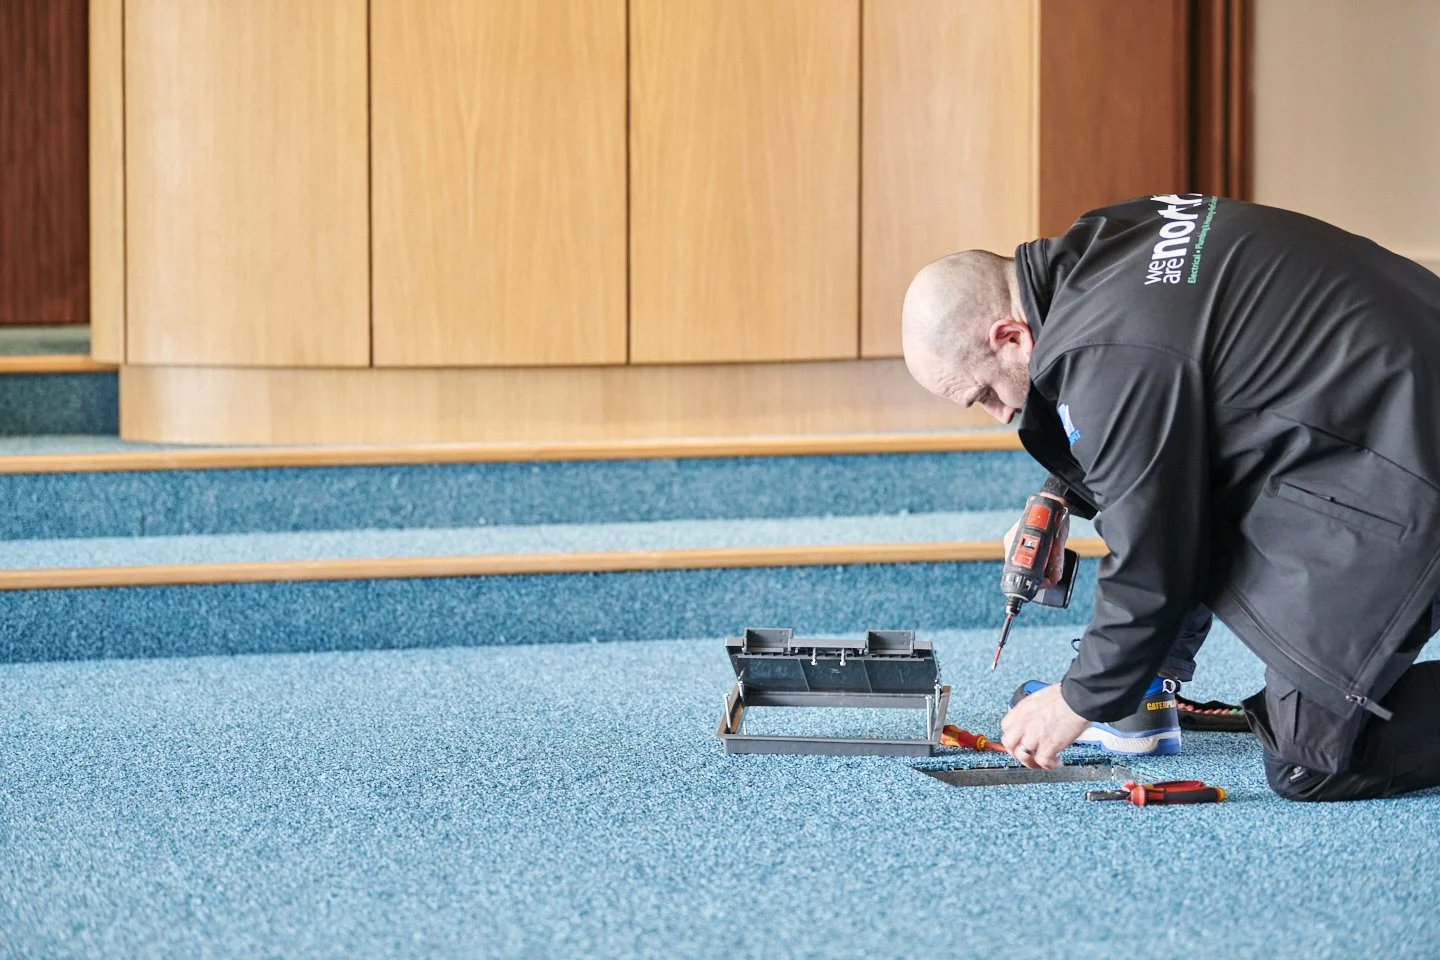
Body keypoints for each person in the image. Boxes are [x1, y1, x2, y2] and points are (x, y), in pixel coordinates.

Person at [901, 194, 1440, 801]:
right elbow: (1158, 408)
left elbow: (1153, 549)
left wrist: (1080, 698)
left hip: (1406, 462)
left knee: (1314, 759)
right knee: (1188, 488)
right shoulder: (1109, 239)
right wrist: (1058, 496)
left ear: (1009, 336)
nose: (1001, 416)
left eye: (984, 395)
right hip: (1395, 399)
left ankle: (1128, 691)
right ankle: (1143, 684)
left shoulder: (1107, 355)